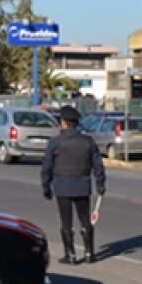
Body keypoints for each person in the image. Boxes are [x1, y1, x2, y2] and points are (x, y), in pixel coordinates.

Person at [40, 105, 106, 264]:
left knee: (66, 221)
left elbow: (47, 166)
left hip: (62, 187)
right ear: (76, 123)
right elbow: (98, 165)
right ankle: (89, 253)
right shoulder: (88, 142)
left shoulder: (55, 142)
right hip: (82, 186)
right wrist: (100, 183)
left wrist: (46, 186)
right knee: (85, 220)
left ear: (63, 123)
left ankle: (70, 255)